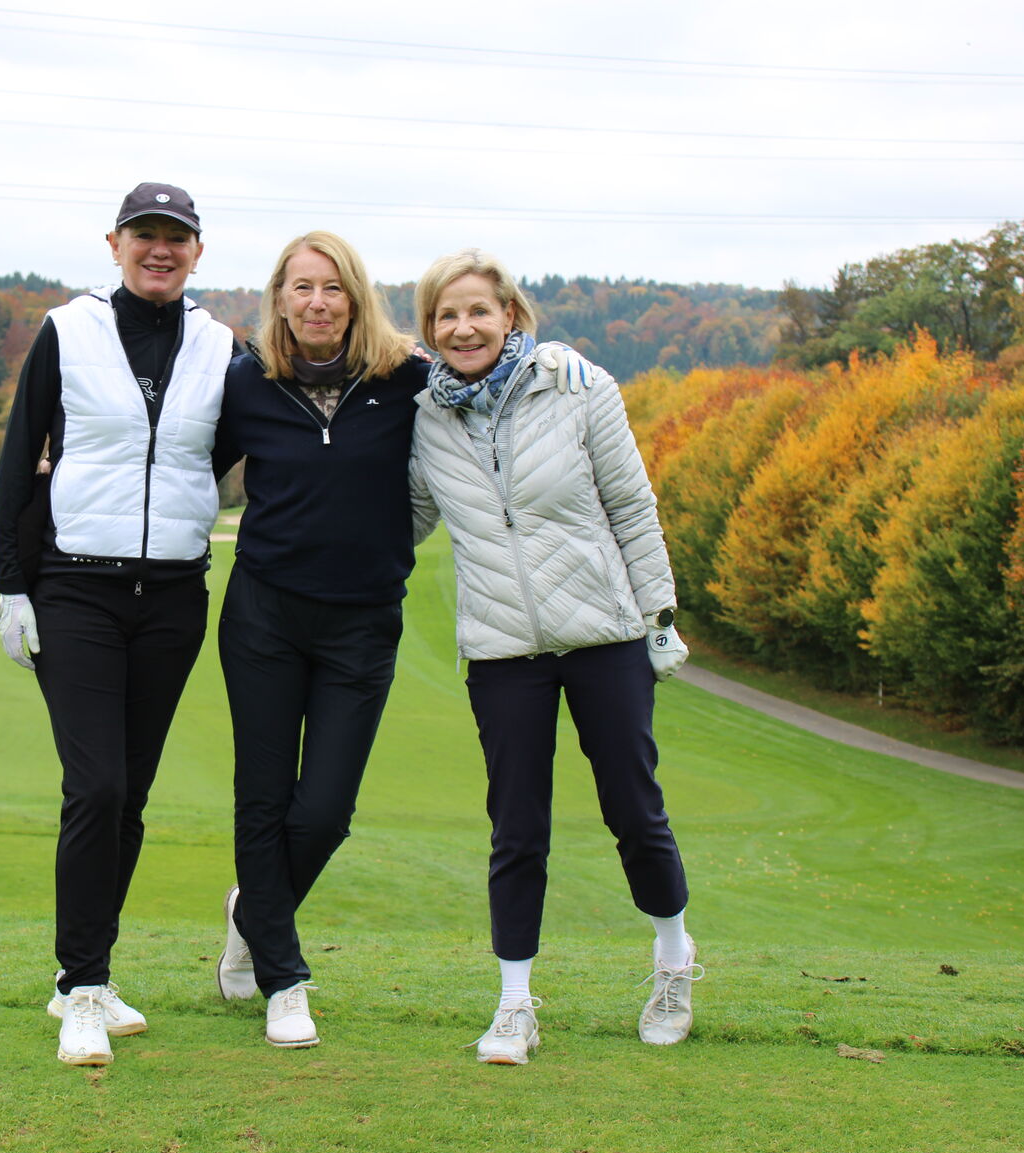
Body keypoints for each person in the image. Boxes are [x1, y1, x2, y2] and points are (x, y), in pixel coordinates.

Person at [210, 233, 589, 1049]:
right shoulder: (246, 381)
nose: (318, 302)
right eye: (302, 287)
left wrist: (555, 362)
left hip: (362, 623)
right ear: (280, 299)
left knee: (325, 811)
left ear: (356, 298)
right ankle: (285, 980)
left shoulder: (408, 379)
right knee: (263, 799)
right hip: (264, 618)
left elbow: (491, 379)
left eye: (333, 288)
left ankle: (254, 912)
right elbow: (183, 464)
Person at [406, 248, 700, 1066]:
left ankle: (674, 960)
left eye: (478, 310)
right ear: (430, 329)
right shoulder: (425, 419)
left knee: (633, 809)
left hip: (605, 635)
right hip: (503, 649)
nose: (464, 327)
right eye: (445, 315)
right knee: (517, 828)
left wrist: (659, 616)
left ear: (511, 315)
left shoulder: (578, 387)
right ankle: (514, 1006)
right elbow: (406, 520)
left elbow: (632, 508)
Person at [0, 182, 236, 1067]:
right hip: (76, 590)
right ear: (115, 243)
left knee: (128, 796)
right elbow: (20, 454)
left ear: (197, 252)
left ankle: (80, 978)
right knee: (94, 788)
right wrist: (10, 584)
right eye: (144, 234)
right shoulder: (69, 330)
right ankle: (85, 987)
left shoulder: (221, 347)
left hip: (171, 597)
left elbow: (230, 450)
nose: (160, 249)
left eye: (177, 237)